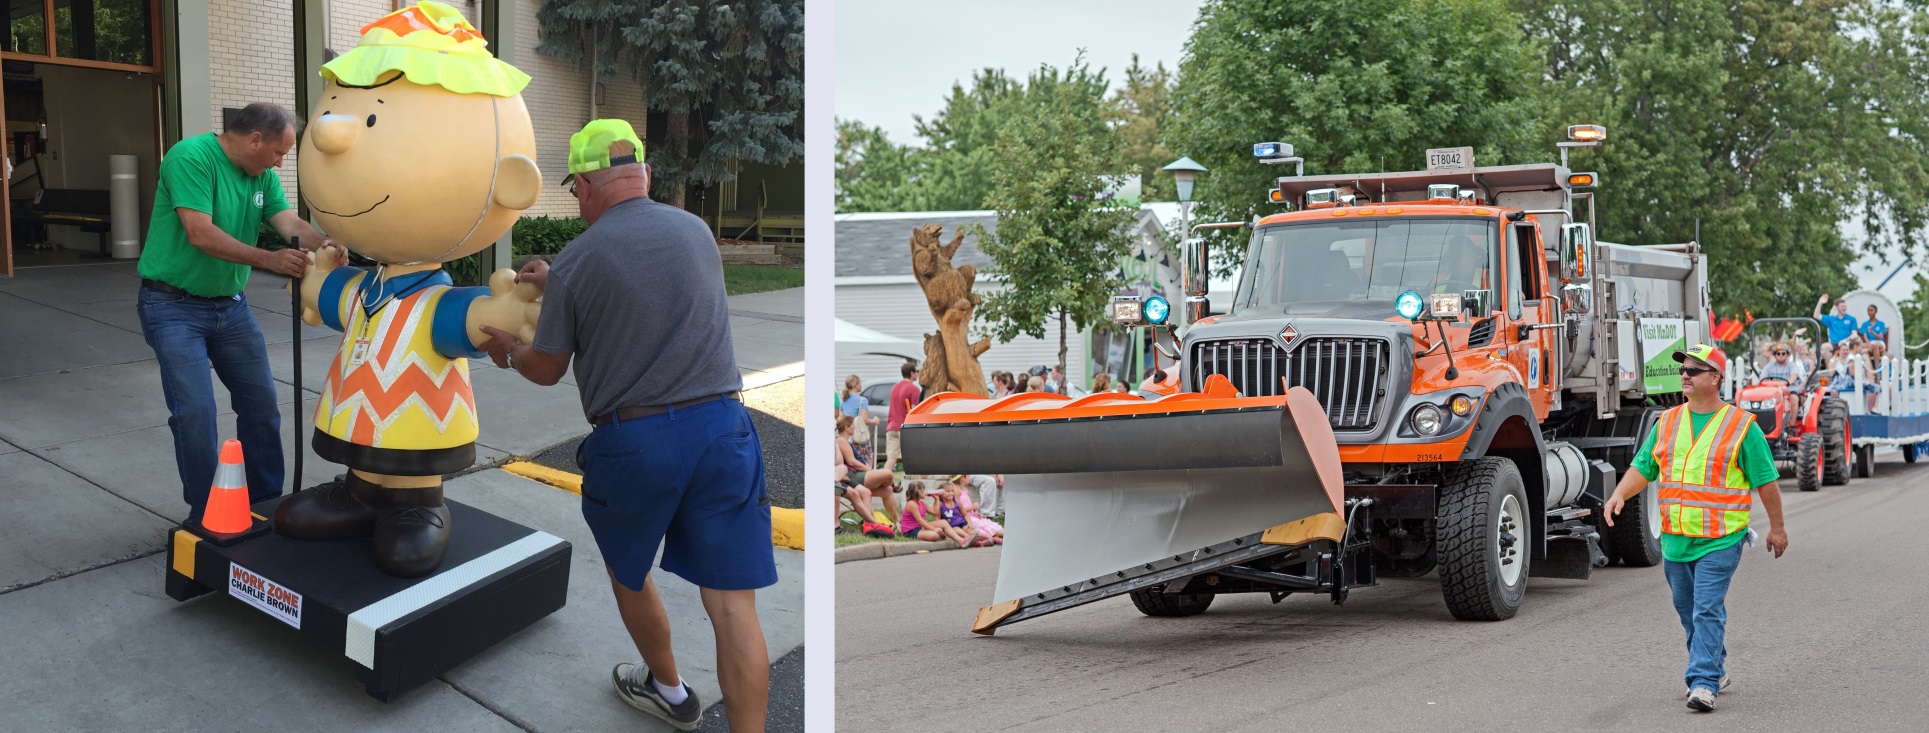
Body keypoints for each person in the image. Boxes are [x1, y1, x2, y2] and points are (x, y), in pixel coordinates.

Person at [479, 120, 771, 732]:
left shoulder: (582, 259)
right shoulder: (696, 233)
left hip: (636, 445)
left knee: (629, 570)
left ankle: (669, 691)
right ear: (643, 174)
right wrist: (560, 281)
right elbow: (648, 281)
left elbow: (547, 369)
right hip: (724, 427)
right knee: (731, 605)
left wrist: (508, 349)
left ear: (585, 185)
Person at [135, 102, 337, 519]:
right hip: (172, 306)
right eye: (278, 152)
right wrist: (269, 260)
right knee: (196, 413)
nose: (280, 162)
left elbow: (286, 222)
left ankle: (264, 506)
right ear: (254, 139)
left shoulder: (260, 174)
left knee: (261, 405)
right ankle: (208, 516)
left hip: (230, 308)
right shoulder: (191, 157)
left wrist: (323, 242)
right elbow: (200, 233)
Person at [1604, 344, 1788, 713]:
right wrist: (1620, 494)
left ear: (1716, 378)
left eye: (1694, 370)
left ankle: (1703, 682)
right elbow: (1644, 467)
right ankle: (1715, 665)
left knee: (1706, 608)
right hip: (1676, 540)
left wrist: (1777, 529)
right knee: (1687, 608)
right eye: (1683, 370)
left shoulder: (1741, 428)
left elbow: (1766, 482)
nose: (1685, 375)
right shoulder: (1668, 422)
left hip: (1722, 538)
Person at [836, 415, 899, 524]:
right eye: (853, 426)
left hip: (858, 474)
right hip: (852, 475)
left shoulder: (846, 441)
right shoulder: (841, 440)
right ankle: (893, 485)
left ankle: (897, 520)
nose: (855, 428)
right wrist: (869, 470)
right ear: (846, 427)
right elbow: (851, 462)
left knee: (887, 490)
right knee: (888, 474)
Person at [900, 482, 975, 548]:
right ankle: (962, 540)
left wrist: (936, 499)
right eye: (923, 490)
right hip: (911, 530)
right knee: (934, 535)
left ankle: (961, 541)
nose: (925, 492)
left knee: (943, 522)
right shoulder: (911, 504)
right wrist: (933, 529)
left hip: (920, 527)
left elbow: (935, 511)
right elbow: (920, 521)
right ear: (919, 491)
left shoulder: (921, 503)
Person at [885, 361, 921, 473]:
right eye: (917, 371)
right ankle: (912, 481)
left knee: (891, 458)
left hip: (891, 426)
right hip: (905, 428)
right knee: (912, 456)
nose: (918, 374)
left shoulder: (894, 387)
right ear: (911, 373)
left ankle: (883, 479)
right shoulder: (914, 389)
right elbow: (914, 410)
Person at [949, 475, 1004, 541]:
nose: (969, 477)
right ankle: (994, 538)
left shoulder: (965, 490)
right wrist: (972, 507)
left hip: (971, 516)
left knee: (991, 525)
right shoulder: (956, 491)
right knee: (984, 527)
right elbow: (956, 509)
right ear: (962, 478)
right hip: (964, 518)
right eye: (968, 476)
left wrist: (975, 513)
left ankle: (999, 536)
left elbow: (968, 507)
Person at [839, 375, 878, 466]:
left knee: (851, 461)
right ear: (856, 385)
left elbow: (840, 418)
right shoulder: (862, 400)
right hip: (859, 435)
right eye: (860, 383)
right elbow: (865, 419)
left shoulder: (843, 400)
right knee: (867, 461)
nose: (861, 386)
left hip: (847, 436)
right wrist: (874, 421)